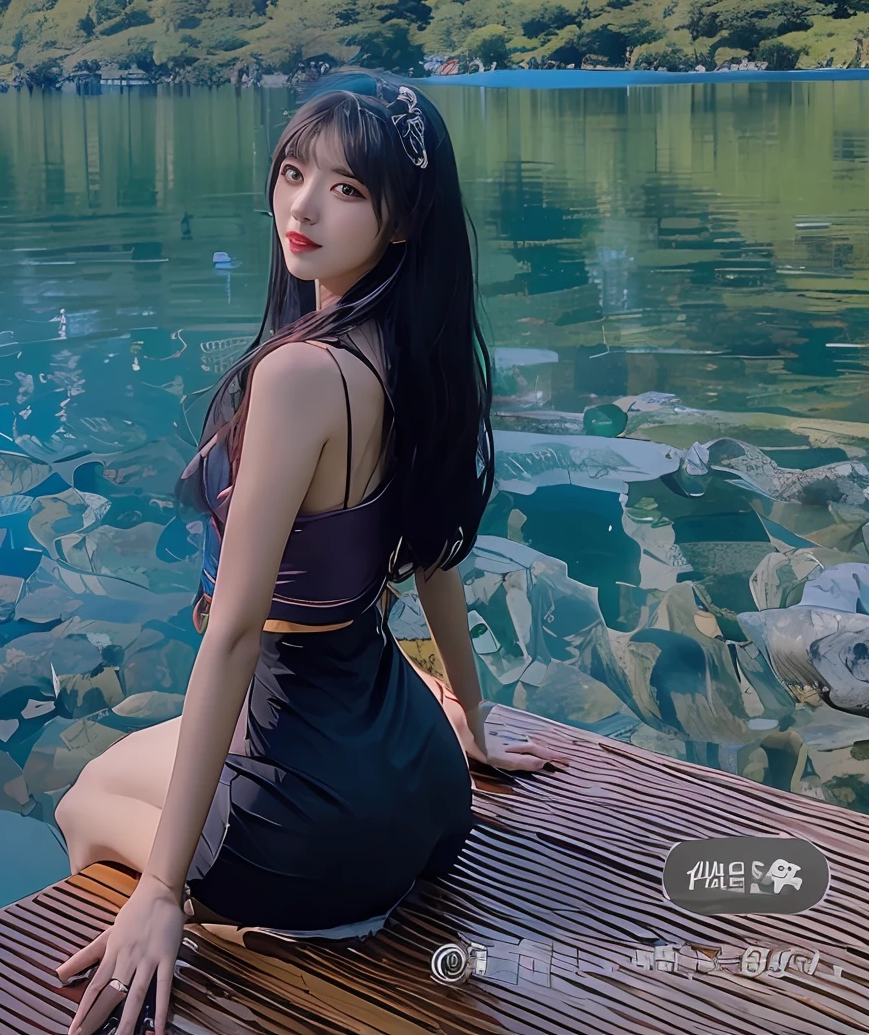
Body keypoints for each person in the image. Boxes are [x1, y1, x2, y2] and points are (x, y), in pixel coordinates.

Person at [53, 73, 570, 1035]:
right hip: (424, 782)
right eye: (294, 172)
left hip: (310, 828)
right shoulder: (419, 353)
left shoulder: (300, 374)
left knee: (83, 802)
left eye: (345, 189)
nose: (301, 205)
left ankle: (209, 925)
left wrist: (162, 889)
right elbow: (435, 557)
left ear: (402, 219)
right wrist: (474, 723)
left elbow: (240, 628)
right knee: (150, 763)